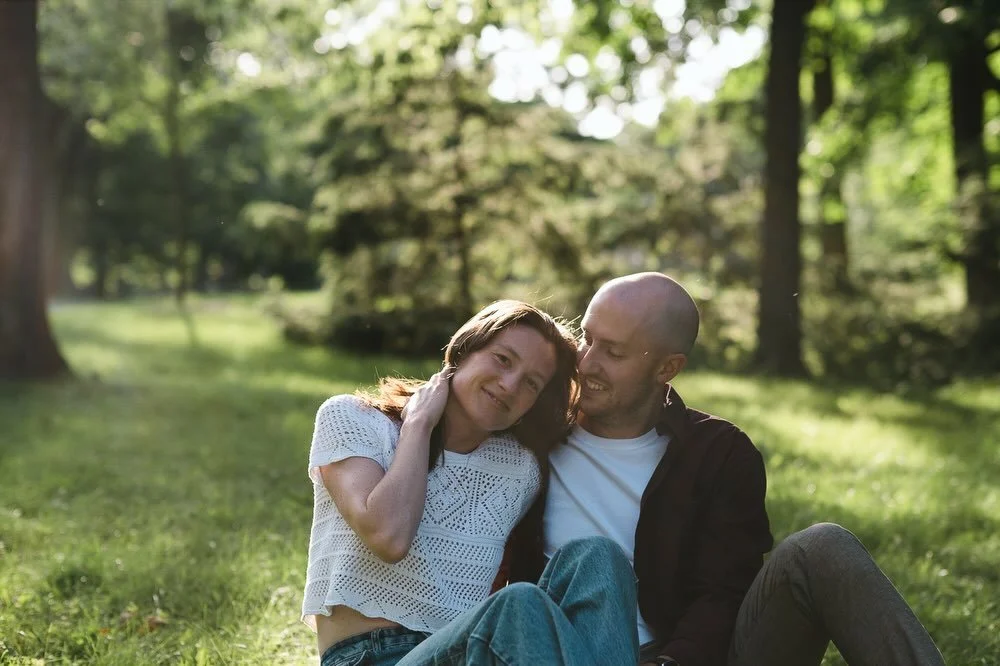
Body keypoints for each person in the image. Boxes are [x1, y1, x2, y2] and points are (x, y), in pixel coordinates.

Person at [499, 273, 946, 666]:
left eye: (613, 353)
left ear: (667, 368)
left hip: (693, 656)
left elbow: (724, 592)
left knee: (824, 546)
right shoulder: (533, 430)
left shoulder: (719, 454)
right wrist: (427, 414)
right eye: (587, 338)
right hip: (571, 651)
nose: (586, 362)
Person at [301, 300, 639, 666]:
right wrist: (418, 424)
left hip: (476, 649)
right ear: (464, 350)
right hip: (366, 657)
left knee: (599, 558)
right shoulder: (352, 420)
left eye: (531, 383)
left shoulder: (520, 469)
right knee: (518, 604)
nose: (509, 386)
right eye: (503, 359)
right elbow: (388, 536)